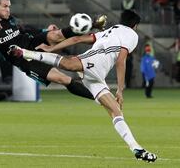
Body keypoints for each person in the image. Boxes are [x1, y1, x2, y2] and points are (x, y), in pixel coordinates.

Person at [9, 10, 157, 162]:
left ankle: (137, 149)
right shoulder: (132, 35)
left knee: (115, 110)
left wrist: (51, 48)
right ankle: (25, 53)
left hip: (97, 77)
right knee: (69, 64)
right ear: (135, 26)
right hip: (95, 64)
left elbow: (77, 39)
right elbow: (121, 61)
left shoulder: (111, 31)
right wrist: (120, 89)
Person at [0, 0, 107, 100]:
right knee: (63, 79)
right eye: (5, 6)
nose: (8, 9)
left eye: (9, 6)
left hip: (32, 43)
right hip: (24, 59)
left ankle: (92, 25)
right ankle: (100, 97)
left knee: (55, 35)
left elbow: (26, 30)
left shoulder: (10, 20)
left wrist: (45, 30)